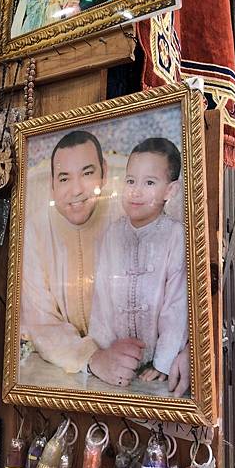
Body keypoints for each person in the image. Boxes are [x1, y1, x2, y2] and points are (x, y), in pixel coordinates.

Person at [20, 130, 190, 396]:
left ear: (105, 171)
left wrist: (188, 351)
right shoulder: (34, 230)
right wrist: (95, 357)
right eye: (64, 178)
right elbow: (41, 321)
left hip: (156, 371)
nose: (76, 189)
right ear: (51, 184)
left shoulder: (139, 204)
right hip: (85, 376)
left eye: (87, 173)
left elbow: (192, 288)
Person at [89, 138, 188, 387]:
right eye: (131, 181)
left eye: (150, 182)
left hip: (158, 363)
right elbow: (102, 298)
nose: (136, 190)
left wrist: (163, 362)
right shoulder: (113, 233)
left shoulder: (175, 234)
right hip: (117, 362)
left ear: (170, 191)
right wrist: (107, 353)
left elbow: (176, 305)